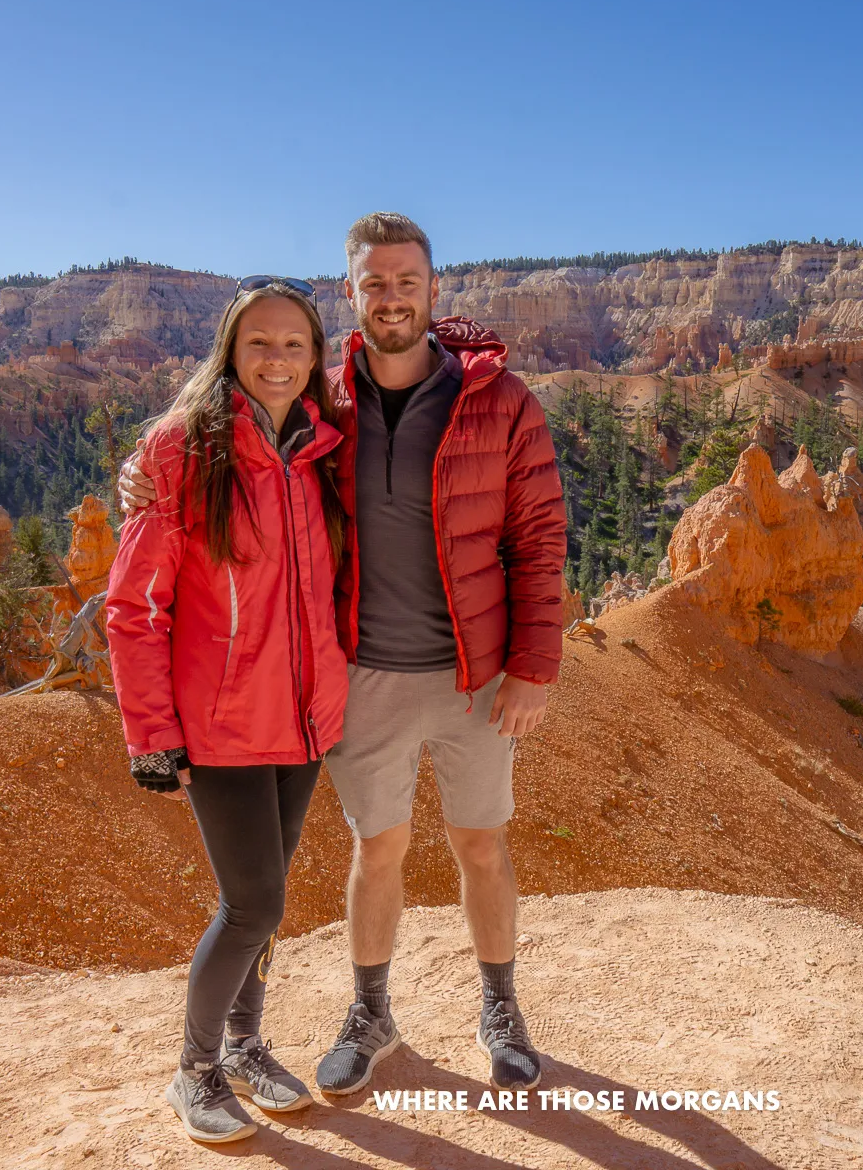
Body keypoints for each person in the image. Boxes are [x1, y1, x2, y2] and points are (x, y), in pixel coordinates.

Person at [121, 212, 567, 1096]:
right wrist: (140, 467)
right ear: (351, 294)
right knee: (379, 848)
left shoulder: (500, 399)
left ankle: (501, 1008)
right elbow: (222, 432)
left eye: (407, 281)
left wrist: (535, 663)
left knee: (482, 843)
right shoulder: (328, 403)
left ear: (435, 288)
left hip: (475, 675)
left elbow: (540, 534)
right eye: (374, 284)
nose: (392, 297)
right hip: (360, 673)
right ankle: (371, 1014)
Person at [106, 277, 348, 1142]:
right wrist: (151, 736)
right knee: (252, 904)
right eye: (259, 343)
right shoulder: (181, 453)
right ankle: (194, 1070)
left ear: (317, 355)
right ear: (230, 352)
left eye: (294, 344)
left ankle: (246, 1047)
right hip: (220, 722)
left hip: (306, 716)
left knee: (269, 899)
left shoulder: (327, 447)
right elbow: (136, 607)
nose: (277, 359)